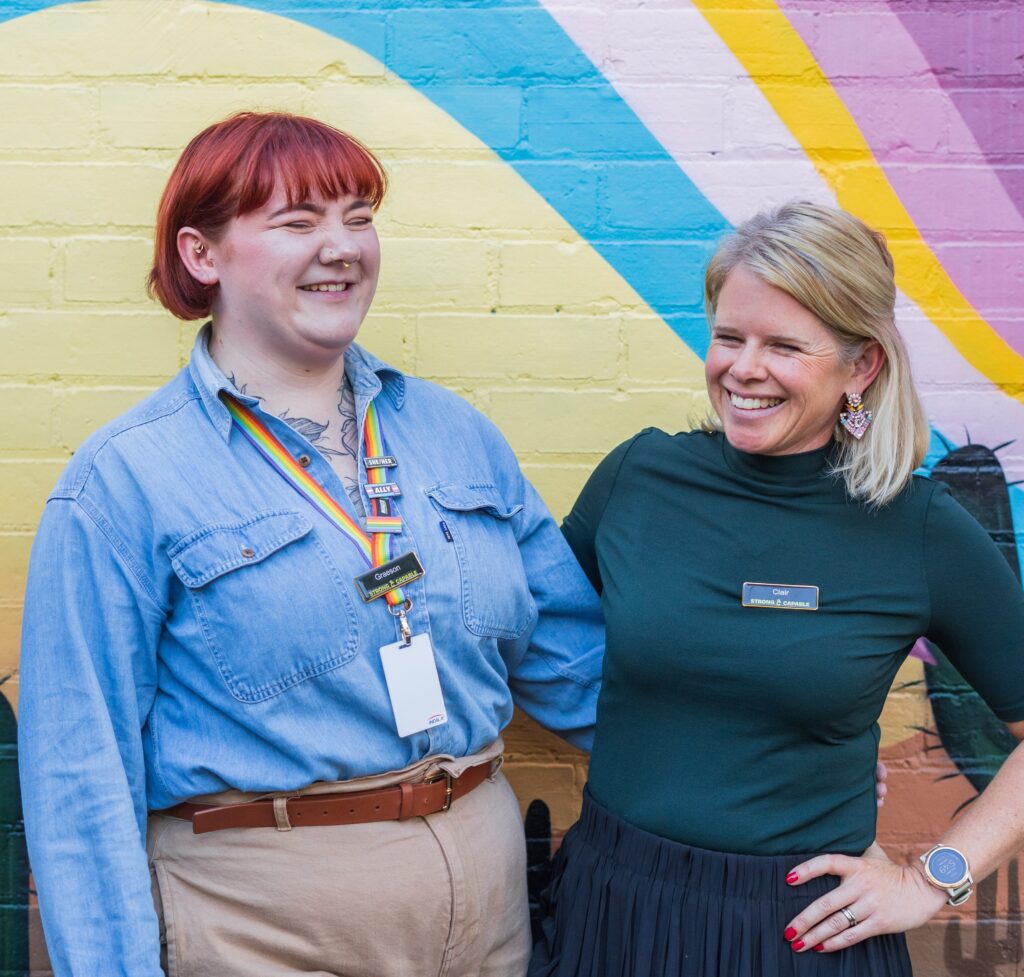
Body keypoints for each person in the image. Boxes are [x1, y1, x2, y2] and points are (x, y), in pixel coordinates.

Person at [17, 111, 606, 977]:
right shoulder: (124, 480)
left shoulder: (455, 434)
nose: (342, 247)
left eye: (359, 217)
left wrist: (771, 770)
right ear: (202, 255)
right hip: (259, 931)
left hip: (489, 921)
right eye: (298, 222)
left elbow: (580, 670)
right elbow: (81, 775)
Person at [530, 202, 1024, 977]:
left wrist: (934, 880)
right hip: (610, 903)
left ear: (860, 366)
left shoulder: (917, 525)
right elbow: (528, 636)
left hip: (797, 933)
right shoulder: (640, 478)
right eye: (729, 337)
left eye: (784, 346)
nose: (743, 368)